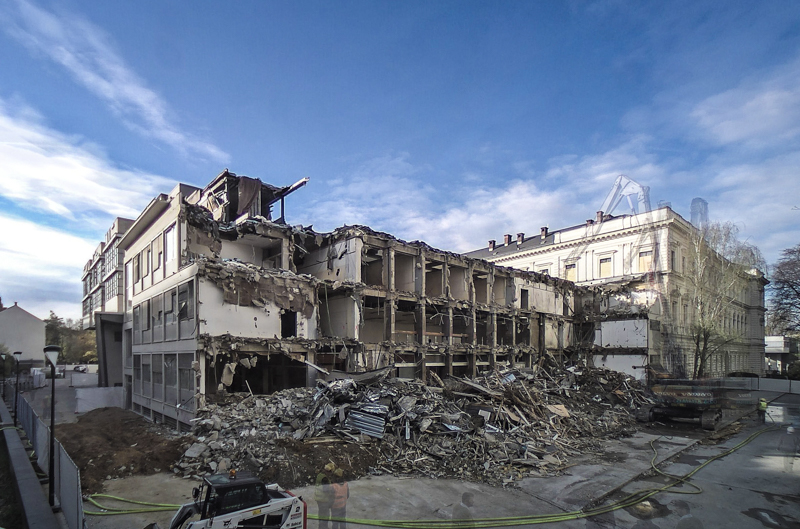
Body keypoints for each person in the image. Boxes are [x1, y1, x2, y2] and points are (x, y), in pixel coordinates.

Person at [315, 462, 335, 529]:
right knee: (325, 516)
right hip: (323, 499)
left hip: (319, 498)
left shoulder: (320, 475)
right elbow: (326, 490)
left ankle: (321, 527)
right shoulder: (325, 478)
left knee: (321, 515)